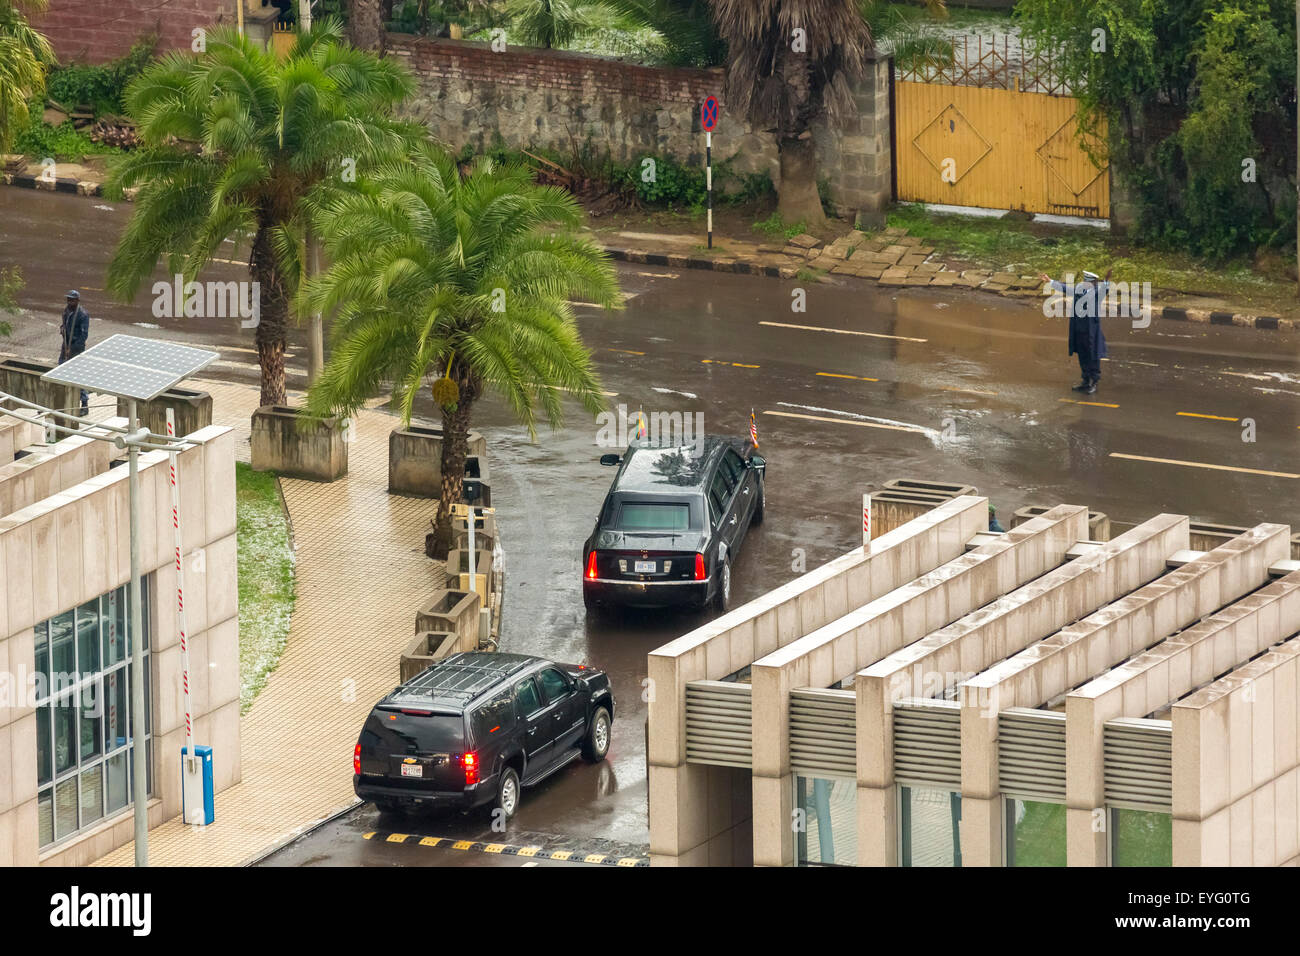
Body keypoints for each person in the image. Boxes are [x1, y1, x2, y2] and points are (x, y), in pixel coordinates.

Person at [1039, 268, 1112, 394]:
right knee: (1082, 355)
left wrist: (1106, 281)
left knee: (1092, 355)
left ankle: (1093, 382)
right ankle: (1085, 381)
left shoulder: (1097, 292)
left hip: (1091, 330)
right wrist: (1050, 280)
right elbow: (1065, 288)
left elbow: (1104, 290)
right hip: (1078, 327)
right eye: (1084, 281)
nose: (1084, 283)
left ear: (1093, 283)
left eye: (1087, 281)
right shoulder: (1079, 289)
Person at [58, 289, 90, 416]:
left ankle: (85, 404)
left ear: (77, 300)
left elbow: (84, 335)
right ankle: (61, 400)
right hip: (66, 344)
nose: (69, 301)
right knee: (60, 369)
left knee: (78, 374)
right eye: (68, 299)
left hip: (76, 347)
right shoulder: (66, 311)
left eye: (72, 299)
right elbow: (65, 325)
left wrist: (73, 348)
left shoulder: (82, 314)